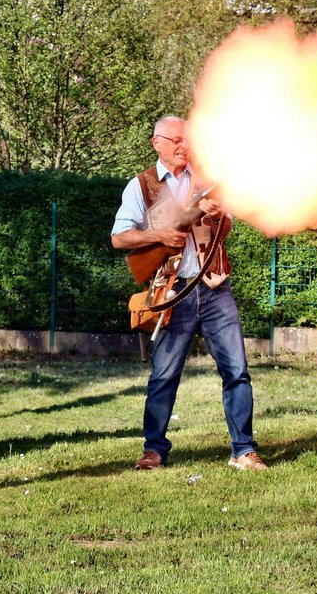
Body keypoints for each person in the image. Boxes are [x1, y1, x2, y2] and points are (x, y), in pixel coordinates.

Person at [111, 115, 265, 471]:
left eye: (188, 139)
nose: (184, 146)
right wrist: (159, 236)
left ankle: (243, 450)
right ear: (157, 143)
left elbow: (225, 228)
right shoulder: (141, 186)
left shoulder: (209, 180)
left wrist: (218, 214)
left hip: (214, 287)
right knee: (164, 375)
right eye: (176, 140)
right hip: (173, 291)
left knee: (237, 371)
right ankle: (154, 450)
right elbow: (119, 237)